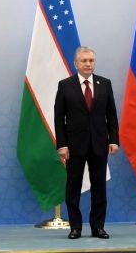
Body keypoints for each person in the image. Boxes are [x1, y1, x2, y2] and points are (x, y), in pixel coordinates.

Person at [54, 46, 119, 240]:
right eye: (84, 61)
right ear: (76, 63)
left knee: (99, 187)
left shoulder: (104, 83)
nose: (88, 64)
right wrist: (62, 144)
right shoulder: (65, 85)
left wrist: (114, 139)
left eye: (91, 60)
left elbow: (111, 115)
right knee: (73, 187)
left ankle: (98, 227)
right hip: (74, 145)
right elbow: (59, 118)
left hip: (99, 143)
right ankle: (75, 227)